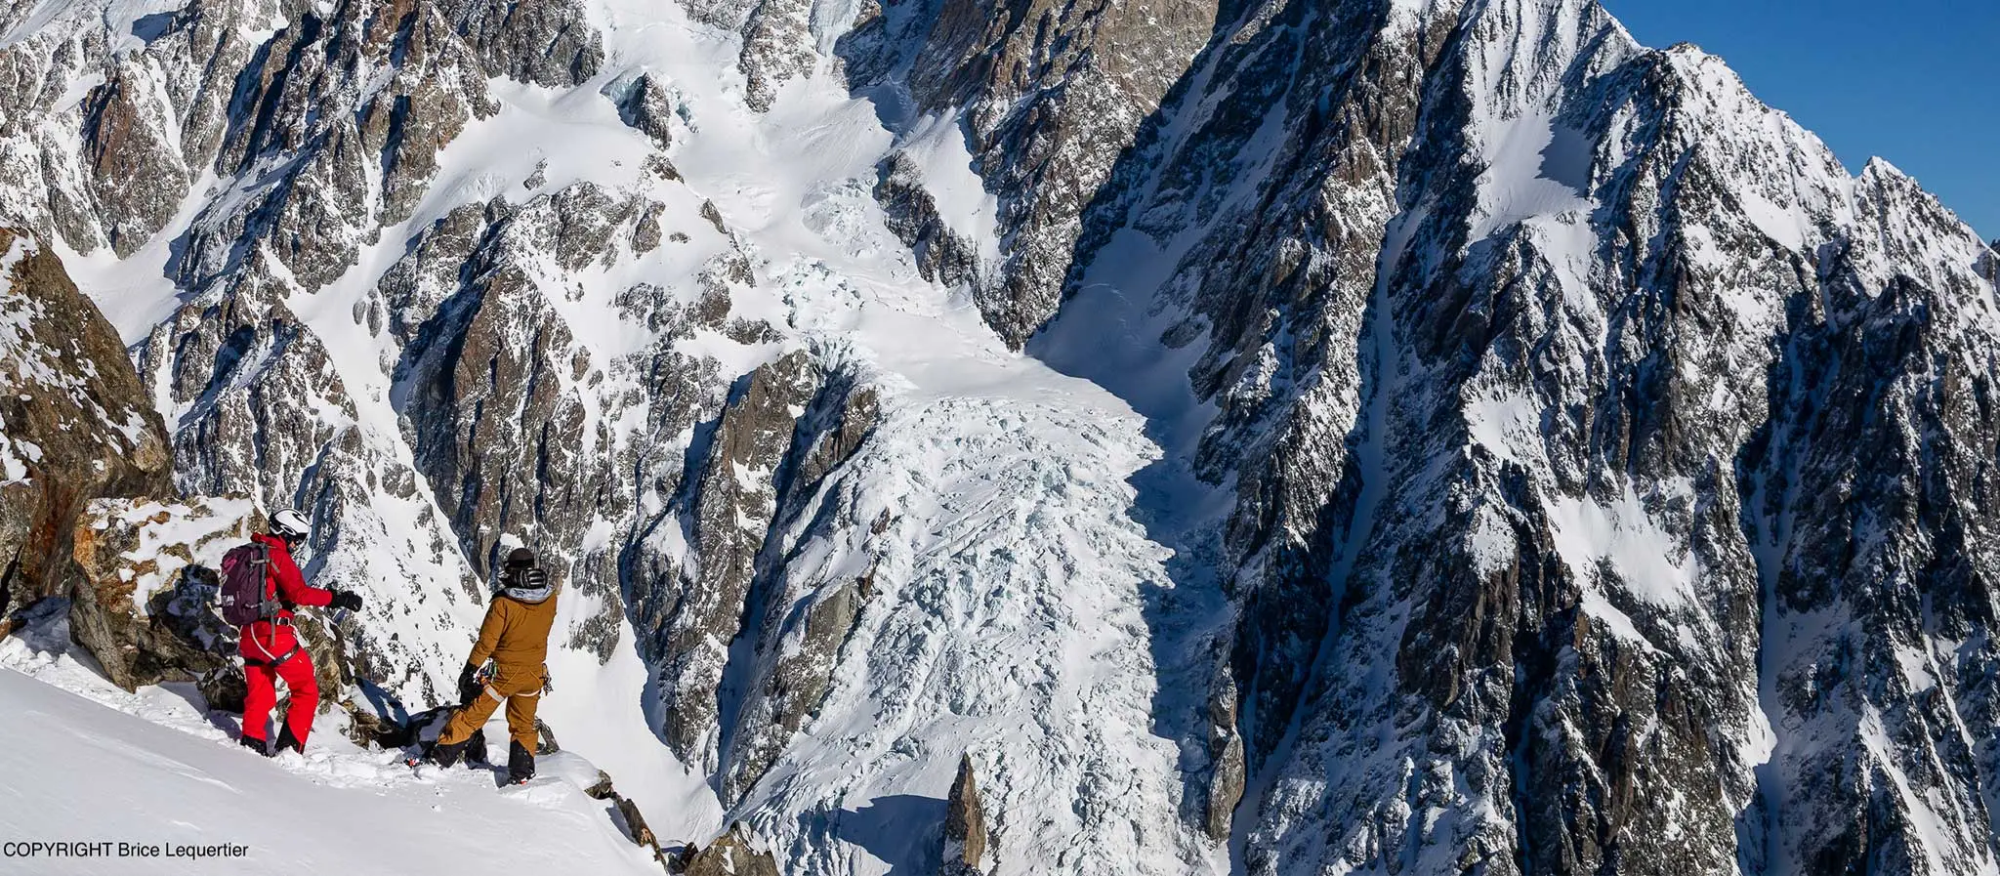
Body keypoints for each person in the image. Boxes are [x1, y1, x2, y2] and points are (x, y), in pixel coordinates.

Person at [239, 508, 364, 756]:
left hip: (249, 635)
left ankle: (251, 748)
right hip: (274, 636)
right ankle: (290, 750)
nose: (297, 544)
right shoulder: (279, 557)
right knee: (306, 690)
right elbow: (300, 593)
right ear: (286, 534)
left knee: (260, 693)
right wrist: (337, 598)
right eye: (297, 538)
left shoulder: (249, 553)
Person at [427, 548, 557, 783]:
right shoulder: (550, 597)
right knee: (523, 725)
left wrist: (469, 670)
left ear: (512, 570)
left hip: (504, 674)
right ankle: (522, 773)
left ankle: (439, 759)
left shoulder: (503, 603)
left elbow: (487, 642)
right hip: (535, 673)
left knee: (471, 716)